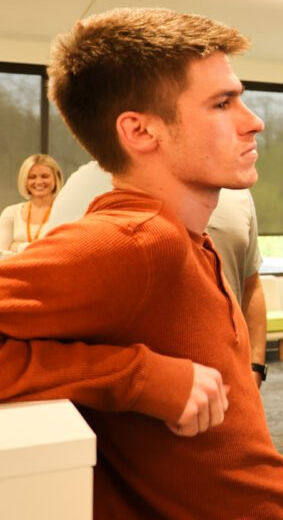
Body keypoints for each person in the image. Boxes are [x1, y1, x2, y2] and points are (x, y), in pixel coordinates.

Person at [0, 8, 283, 518]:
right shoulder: (135, 241)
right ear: (140, 131)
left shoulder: (183, 236)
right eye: (222, 103)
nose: (254, 121)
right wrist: (138, 378)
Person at [48, 162, 271, 387]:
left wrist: (255, 368)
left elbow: (250, 283)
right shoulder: (80, 187)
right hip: (127, 391)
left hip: (228, 383)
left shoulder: (236, 189)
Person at [0, 153, 64, 257]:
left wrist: (18, 246)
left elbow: (62, 252)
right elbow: (1, 254)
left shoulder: (66, 212)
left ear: (56, 178)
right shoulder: (11, 212)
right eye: (32, 177)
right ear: (24, 180)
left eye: (45, 176)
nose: (39, 182)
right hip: (14, 268)